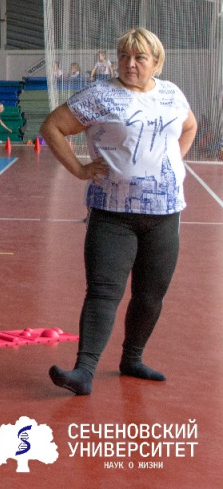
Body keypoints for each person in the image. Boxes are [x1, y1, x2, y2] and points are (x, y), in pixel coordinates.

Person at [41, 27, 196, 395]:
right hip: (112, 212)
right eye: (124, 56)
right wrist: (80, 170)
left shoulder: (172, 94)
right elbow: (52, 127)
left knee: (151, 294)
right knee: (103, 291)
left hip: (165, 212)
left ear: (156, 62)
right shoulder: (101, 95)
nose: (130, 64)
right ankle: (84, 371)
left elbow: (189, 126)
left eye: (139, 57)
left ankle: (132, 359)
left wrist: (172, 163)